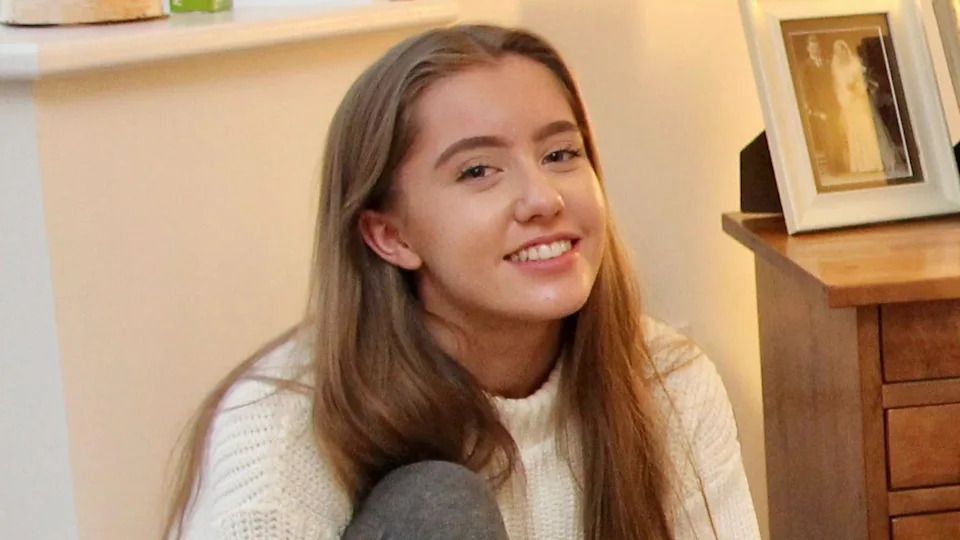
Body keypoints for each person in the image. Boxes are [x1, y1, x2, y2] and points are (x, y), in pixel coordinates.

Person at [162, 25, 760, 540]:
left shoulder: (666, 381)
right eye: (478, 171)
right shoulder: (285, 427)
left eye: (560, 154)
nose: (543, 199)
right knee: (435, 504)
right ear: (390, 235)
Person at [831, 39, 903, 176]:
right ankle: (862, 165)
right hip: (849, 104)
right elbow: (838, 87)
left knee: (867, 130)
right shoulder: (836, 69)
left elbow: (864, 82)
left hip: (860, 102)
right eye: (838, 52)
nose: (841, 54)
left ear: (846, 51)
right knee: (855, 134)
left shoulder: (856, 65)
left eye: (842, 51)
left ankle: (874, 163)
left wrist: (857, 89)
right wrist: (844, 98)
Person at [797, 34, 846, 176]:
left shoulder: (827, 63)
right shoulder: (806, 66)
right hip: (819, 107)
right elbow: (807, 89)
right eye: (812, 48)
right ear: (808, 49)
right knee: (826, 137)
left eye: (817, 47)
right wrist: (815, 109)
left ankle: (840, 165)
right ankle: (832, 168)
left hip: (832, 104)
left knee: (836, 135)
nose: (815, 50)